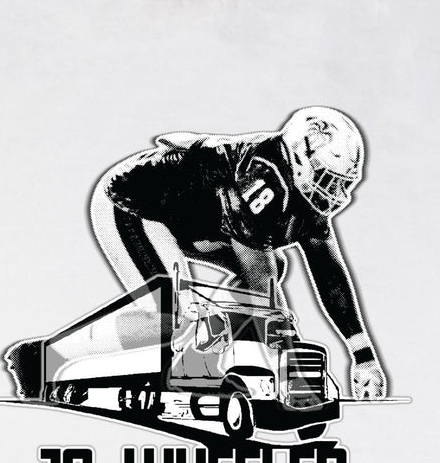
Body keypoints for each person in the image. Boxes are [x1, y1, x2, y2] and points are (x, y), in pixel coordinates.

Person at [90, 106, 387, 399]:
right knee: (173, 317)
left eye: (341, 183)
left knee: (266, 273)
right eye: (327, 179)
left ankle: (201, 344)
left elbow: (329, 273)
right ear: (300, 158)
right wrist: (288, 357)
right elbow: (259, 276)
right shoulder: (262, 173)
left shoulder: (298, 186)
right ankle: (79, 353)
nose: (334, 192)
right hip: (130, 203)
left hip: (186, 220)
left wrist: (363, 355)